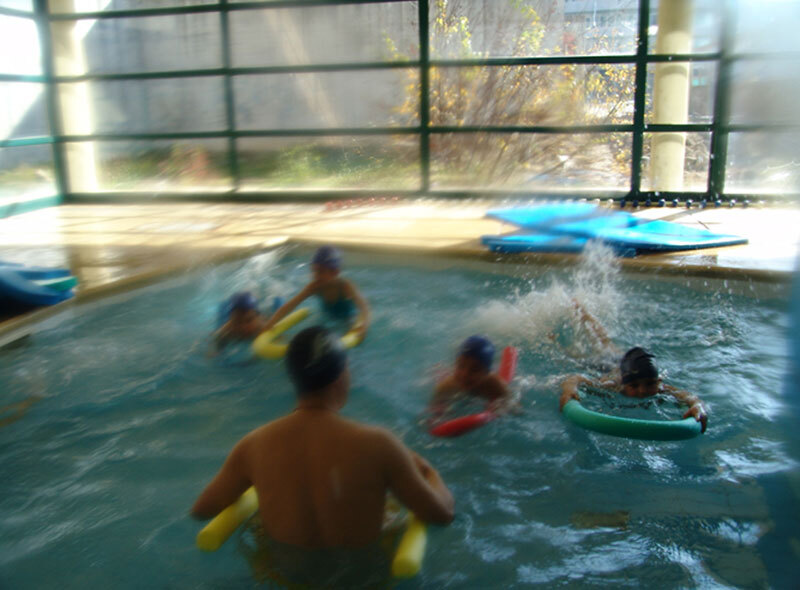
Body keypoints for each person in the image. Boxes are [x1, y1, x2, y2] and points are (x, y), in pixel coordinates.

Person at [192, 326, 454, 576]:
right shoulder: (379, 444)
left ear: (293, 378)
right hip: (363, 580)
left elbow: (202, 509)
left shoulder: (253, 444)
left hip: (283, 579)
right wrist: (427, 470)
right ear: (342, 376)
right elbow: (441, 515)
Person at [558, 301, 708, 432]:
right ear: (623, 383)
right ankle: (568, 327)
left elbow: (689, 397)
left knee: (606, 343)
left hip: (625, 362)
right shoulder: (611, 385)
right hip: (607, 365)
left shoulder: (661, 389)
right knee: (575, 357)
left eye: (650, 383)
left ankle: (583, 312)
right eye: (634, 385)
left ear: (658, 381)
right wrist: (570, 390)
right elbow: (576, 378)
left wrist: (698, 406)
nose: (642, 390)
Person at [260, 246, 370, 340]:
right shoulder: (314, 287)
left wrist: (364, 325)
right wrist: (270, 324)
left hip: (348, 320)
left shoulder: (345, 286)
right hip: (326, 319)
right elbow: (290, 305)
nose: (315, 276)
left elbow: (364, 306)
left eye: (320, 272)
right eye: (314, 271)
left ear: (335, 272)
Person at [429, 335, 513, 417]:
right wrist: (439, 412)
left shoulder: (495, 386)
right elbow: (433, 408)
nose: (465, 374)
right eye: (461, 366)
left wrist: (501, 407)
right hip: (452, 385)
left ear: (486, 373)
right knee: (441, 375)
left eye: (475, 369)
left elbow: (513, 408)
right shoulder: (446, 387)